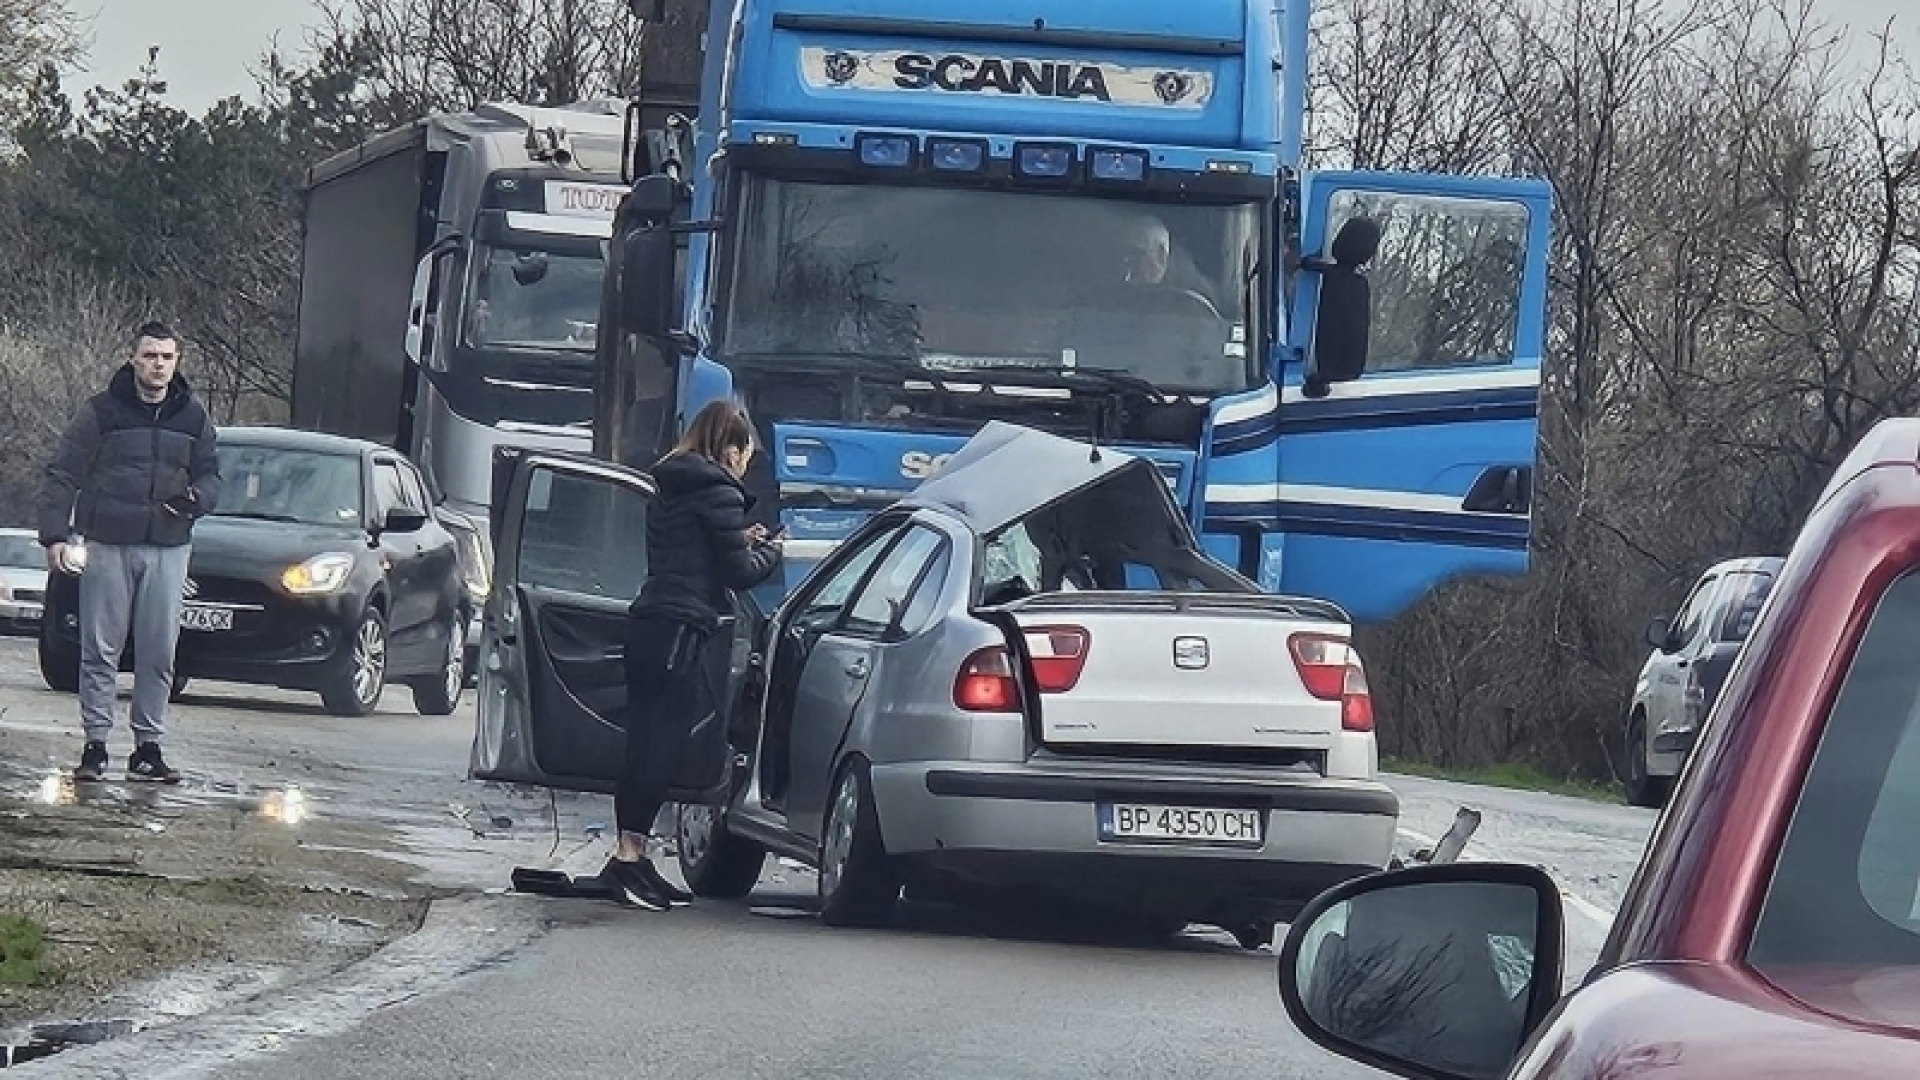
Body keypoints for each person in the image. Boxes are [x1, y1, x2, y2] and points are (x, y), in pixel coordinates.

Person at [605, 399, 783, 911]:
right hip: (681, 630)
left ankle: (632, 858)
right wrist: (772, 552)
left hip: (651, 622)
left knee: (643, 741)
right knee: (661, 746)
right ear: (730, 449)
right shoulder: (719, 490)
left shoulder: (674, 484)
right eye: (746, 453)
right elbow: (740, 573)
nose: (745, 463)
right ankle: (628, 857)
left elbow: (695, 546)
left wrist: (739, 538)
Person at [37, 321, 221, 785]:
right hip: (108, 542)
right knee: (100, 648)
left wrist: (197, 498)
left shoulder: (193, 416)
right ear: (134, 359)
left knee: (159, 651)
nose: (158, 365)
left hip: (168, 546)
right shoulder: (100, 412)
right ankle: (95, 744)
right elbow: (63, 473)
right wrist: (55, 535)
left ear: (176, 362)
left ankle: (148, 748)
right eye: (150, 356)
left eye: (167, 357)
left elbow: (213, 475)